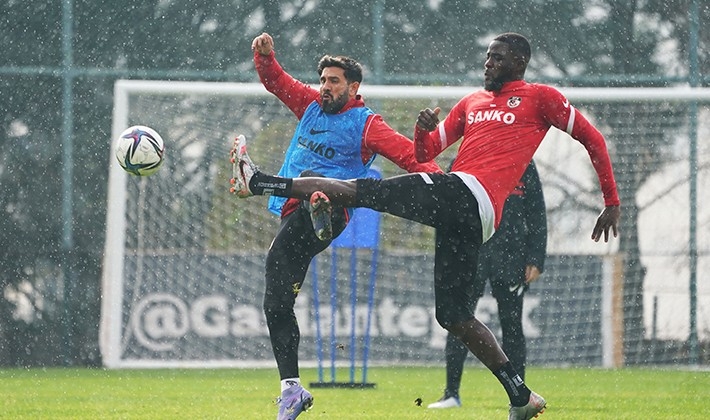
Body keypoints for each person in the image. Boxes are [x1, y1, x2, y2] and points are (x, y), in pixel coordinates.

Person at [232, 32, 621, 420]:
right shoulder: (472, 102)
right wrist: (423, 132)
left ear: (519, 62)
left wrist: (611, 201)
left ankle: (262, 182)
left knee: (364, 191)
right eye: (487, 56)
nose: (488, 63)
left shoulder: (541, 97)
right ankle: (521, 396)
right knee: (452, 315)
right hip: (466, 215)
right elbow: (425, 151)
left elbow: (592, 138)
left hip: (466, 194)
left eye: (497, 58)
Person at [245, 32, 442, 420]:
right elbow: (275, 82)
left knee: (321, 193)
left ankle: (318, 204)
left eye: (333, 81)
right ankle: (291, 388)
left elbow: (408, 155)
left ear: (354, 88)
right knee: (276, 300)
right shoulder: (311, 105)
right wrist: (265, 57)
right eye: (323, 80)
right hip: (293, 215)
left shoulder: (366, 123)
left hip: (333, 214)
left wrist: (444, 182)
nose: (325, 87)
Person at [428, 160, 547, 409]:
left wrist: (535, 257)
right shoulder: (463, 159)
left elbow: (536, 211)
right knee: (458, 321)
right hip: (469, 256)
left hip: (511, 257)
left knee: (512, 326)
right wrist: (447, 258)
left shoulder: (523, 161)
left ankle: (519, 396)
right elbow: (446, 215)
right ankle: (451, 394)